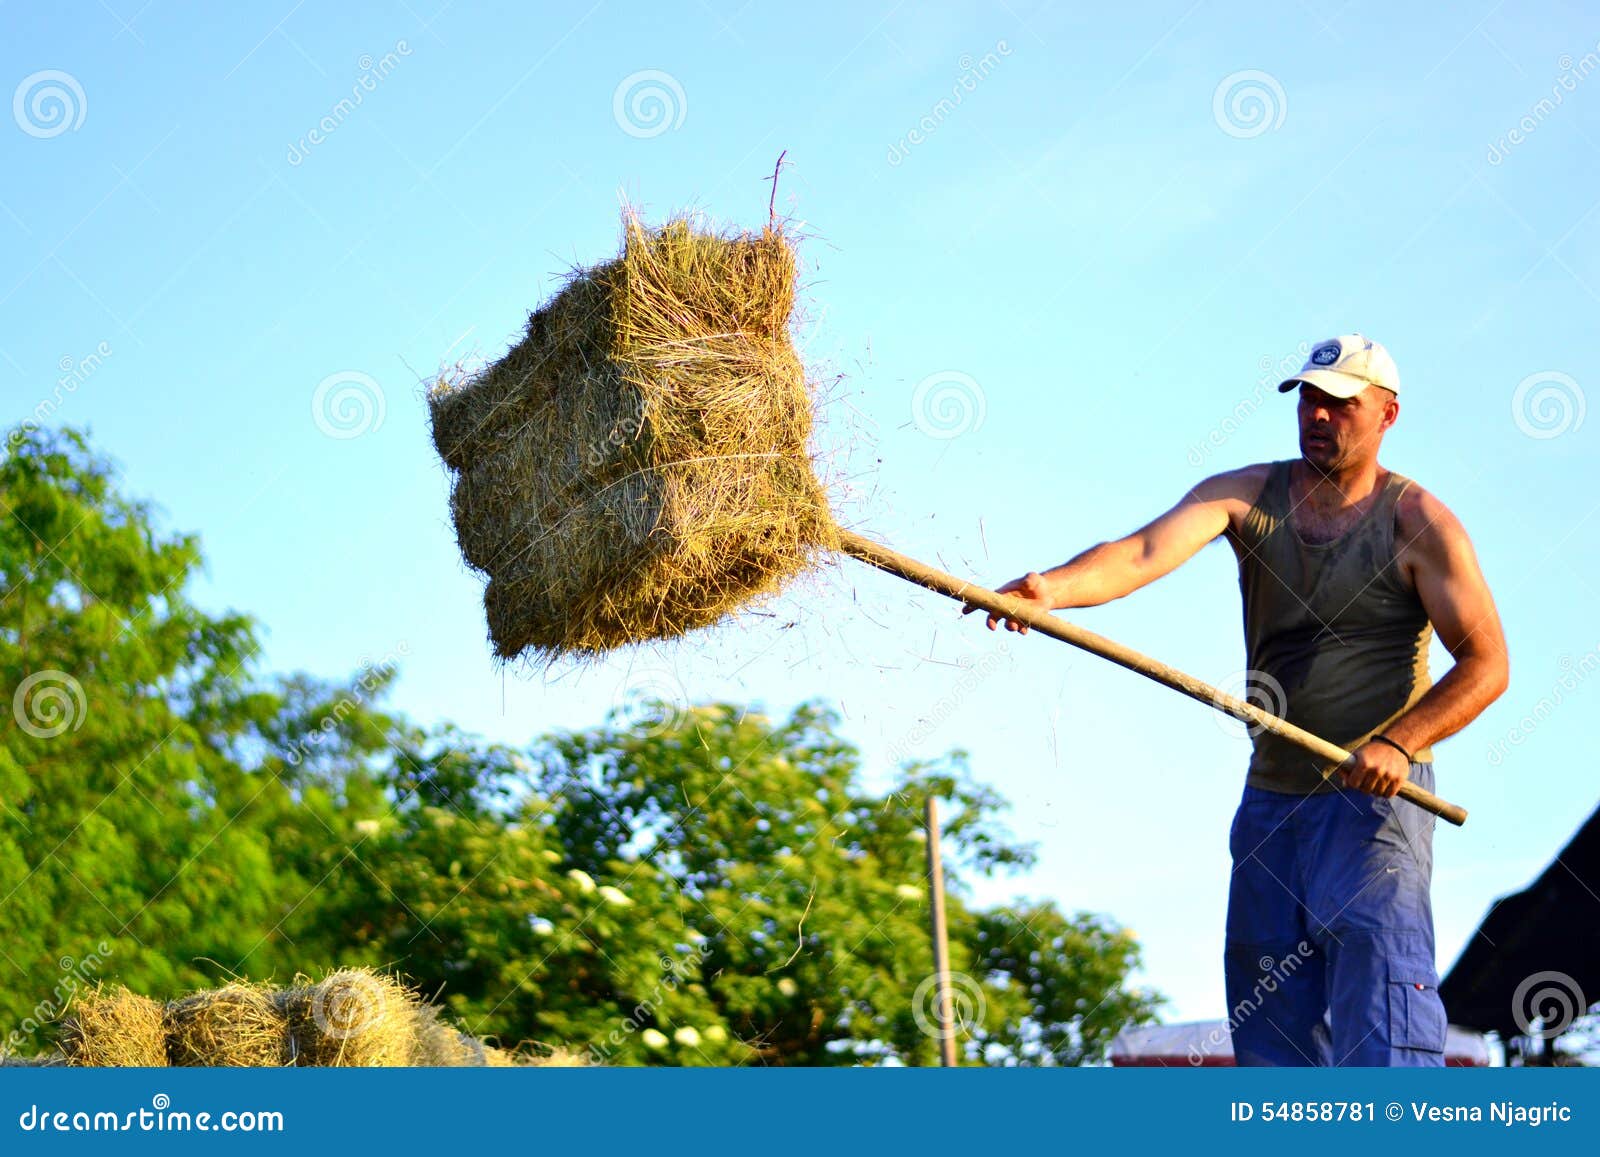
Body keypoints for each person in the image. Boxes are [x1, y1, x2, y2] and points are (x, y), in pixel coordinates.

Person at [970, 334, 1509, 1066]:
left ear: (1387, 415)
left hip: (1376, 807)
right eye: (1310, 399)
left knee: (1383, 1016)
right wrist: (1050, 592)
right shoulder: (1247, 495)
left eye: (1341, 404)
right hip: (1272, 806)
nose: (1319, 415)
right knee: (1271, 1032)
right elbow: (1139, 553)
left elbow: (1487, 664)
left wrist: (1399, 742)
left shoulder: (1418, 523)